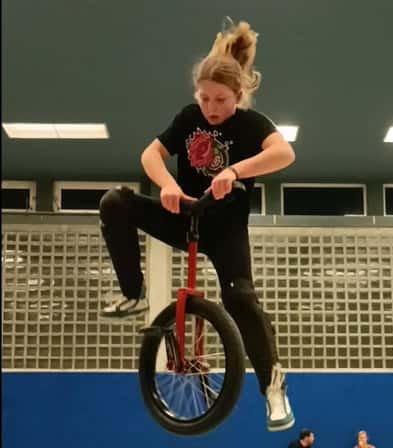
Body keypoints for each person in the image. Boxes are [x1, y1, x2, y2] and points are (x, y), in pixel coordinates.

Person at [98, 19, 296, 432]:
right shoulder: (189, 118)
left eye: (220, 99)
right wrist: (168, 185)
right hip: (183, 216)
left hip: (225, 230)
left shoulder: (251, 125)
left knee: (240, 299)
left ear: (238, 95)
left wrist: (235, 171)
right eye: (204, 98)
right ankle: (133, 294)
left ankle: (273, 391)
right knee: (115, 202)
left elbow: (284, 154)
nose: (211, 107)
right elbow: (150, 155)